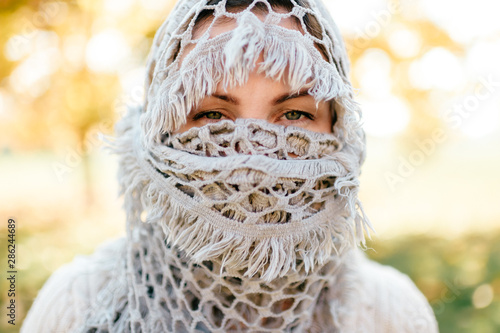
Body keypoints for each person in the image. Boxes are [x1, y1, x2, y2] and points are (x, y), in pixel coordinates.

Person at [22, 0, 439, 332]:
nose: (252, 154)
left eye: (293, 115)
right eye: (211, 116)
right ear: (157, 131)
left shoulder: (392, 315)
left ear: (339, 129)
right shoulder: (77, 306)